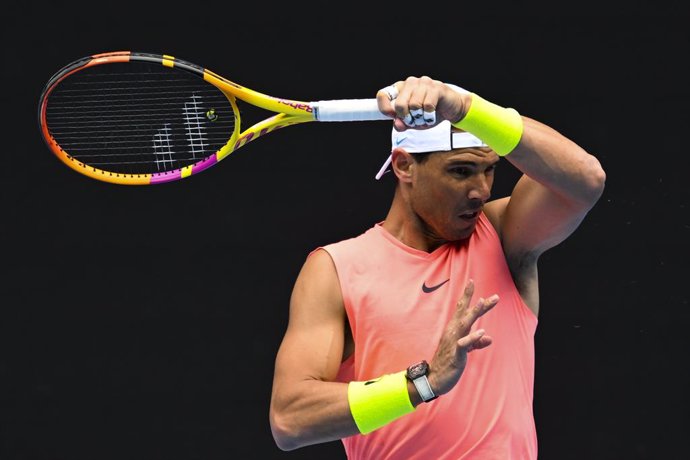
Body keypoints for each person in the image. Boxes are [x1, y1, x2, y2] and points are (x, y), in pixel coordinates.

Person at [268, 76, 606, 459]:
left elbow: (585, 179)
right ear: (404, 166)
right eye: (461, 171)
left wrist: (467, 107)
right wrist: (422, 384)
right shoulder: (335, 269)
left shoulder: (503, 233)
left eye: (489, 170)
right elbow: (290, 419)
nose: (481, 190)